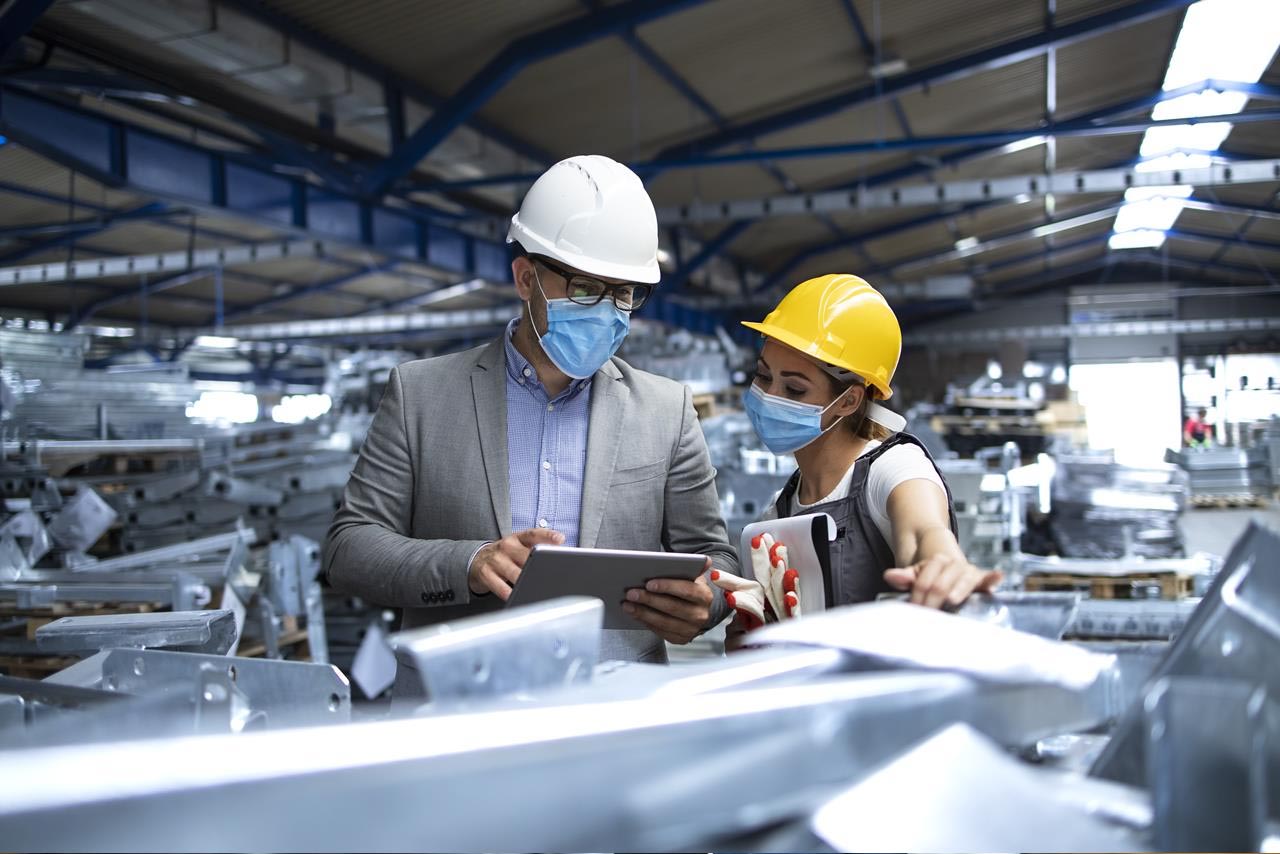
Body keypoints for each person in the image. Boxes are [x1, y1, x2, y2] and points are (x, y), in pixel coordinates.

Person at [324, 155, 733, 664]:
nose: (607, 312)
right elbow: (350, 548)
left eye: (623, 295)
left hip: (617, 707)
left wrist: (707, 603)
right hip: (460, 703)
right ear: (525, 279)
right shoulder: (420, 396)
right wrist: (470, 563)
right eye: (585, 290)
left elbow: (715, 559)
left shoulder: (666, 411)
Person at [716, 274, 1002, 644]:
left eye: (794, 388)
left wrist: (942, 563)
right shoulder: (778, 513)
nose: (769, 397)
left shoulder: (894, 469)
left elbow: (923, 532)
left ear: (849, 401)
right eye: (763, 376)